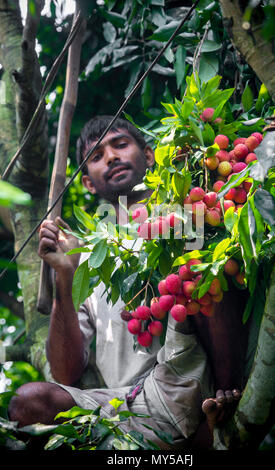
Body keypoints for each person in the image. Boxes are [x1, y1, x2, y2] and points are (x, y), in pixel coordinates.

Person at [8, 116, 241, 450]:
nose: (112, 157)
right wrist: (65, 277)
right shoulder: (85, 257)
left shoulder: (186, 212)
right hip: (125, 408)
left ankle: (225, 404)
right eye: (98, 155)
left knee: (206, 274)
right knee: (28, 402)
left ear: (148, 155)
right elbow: (64, 372)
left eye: (119, 144)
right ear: (88, 183)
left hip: (194, 386)